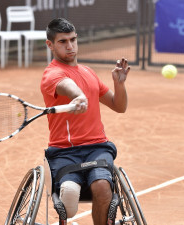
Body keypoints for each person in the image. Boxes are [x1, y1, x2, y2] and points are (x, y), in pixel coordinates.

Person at [41, 18, 130, 225]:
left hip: (98, 147)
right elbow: (67, 85)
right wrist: (79, 96)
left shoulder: (89, 72)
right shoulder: (52, 74)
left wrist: (119, 84)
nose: (70, 46)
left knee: (102, 186)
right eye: (62, 41)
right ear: (50, 45)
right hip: (64, 151)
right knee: (70, 192)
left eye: (73, 39)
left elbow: (119, 106)